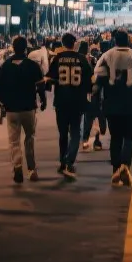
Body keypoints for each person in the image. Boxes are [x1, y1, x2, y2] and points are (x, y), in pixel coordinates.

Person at [93, 29, 132, 186]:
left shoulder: (106, 56)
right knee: (129, 137)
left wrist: (98, 107)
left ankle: (116, 169)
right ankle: (125, 165)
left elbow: (98, 85)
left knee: (115, 138)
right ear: (129, 40)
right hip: (130, 105)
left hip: (111, 106)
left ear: (114, 40)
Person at [0, 36, 47, 184]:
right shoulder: (32, 65)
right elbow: (40, 86)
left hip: (12, 109)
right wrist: (43, 100)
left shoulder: (5, 66)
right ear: (26, 48)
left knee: (14, 141)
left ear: (12, 47)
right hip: (28, 108)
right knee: (29, 138)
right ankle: (31, 169)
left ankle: (17, 166)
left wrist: (3, 104)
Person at [46, 32, 94, 180]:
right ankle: (69, 161)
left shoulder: (57, 58)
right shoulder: (82, 59)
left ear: (62, 43)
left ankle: (62, 160)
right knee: (75, 133)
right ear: (74, 44)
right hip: (77, 101)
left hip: (61, 101)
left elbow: (49, 78)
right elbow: (90, 80)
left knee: (62, 133)